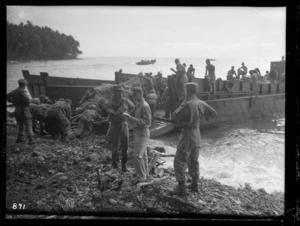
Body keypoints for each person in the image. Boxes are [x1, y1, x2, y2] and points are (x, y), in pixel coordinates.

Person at [170, 82, 217, 197]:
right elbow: (213, 113)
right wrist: (204, 117)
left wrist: (183, 120)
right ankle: (194, 185)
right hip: (197, 133)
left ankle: (181, 189)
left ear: (186, 91)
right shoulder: (200, 103)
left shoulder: (187, 104)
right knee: (193, 160)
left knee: (179, 160)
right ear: (196, 91)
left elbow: (174, 117)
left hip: (187, 134)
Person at [123, 87, 151, 184]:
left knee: (137, 155)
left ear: (140, 94)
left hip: (143, 132)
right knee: (143, 155)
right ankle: (145, 174)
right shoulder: (140, 105)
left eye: (135, 94)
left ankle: (141, 178)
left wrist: (131, 118)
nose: (133, 96)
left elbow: (147, 122)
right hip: (140, 131)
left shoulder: (144, 106)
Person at [105, 85, 135, 172]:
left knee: (125, 146)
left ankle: (124, 166)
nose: (120, 93)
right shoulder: (108, 103)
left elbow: (133, 106)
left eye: (121, 91)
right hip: (115, 125)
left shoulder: (125, 100)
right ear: (114, 92)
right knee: (115, 147)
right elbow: (110, 112)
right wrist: (115, 112)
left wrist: (127, 113)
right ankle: (115, 165)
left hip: (124, 124)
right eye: (118, 91)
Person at [7, 79, 35, 144]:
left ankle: (19, 139)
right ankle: (31, 139)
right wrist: (27, 104)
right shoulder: (23, 92)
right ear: (25, 85)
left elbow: (7, 97)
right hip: (24, 109)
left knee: (20, 125)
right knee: (28, 124)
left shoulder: (13, 91)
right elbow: (27, 100)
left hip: (17, 110)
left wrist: (13, 101)